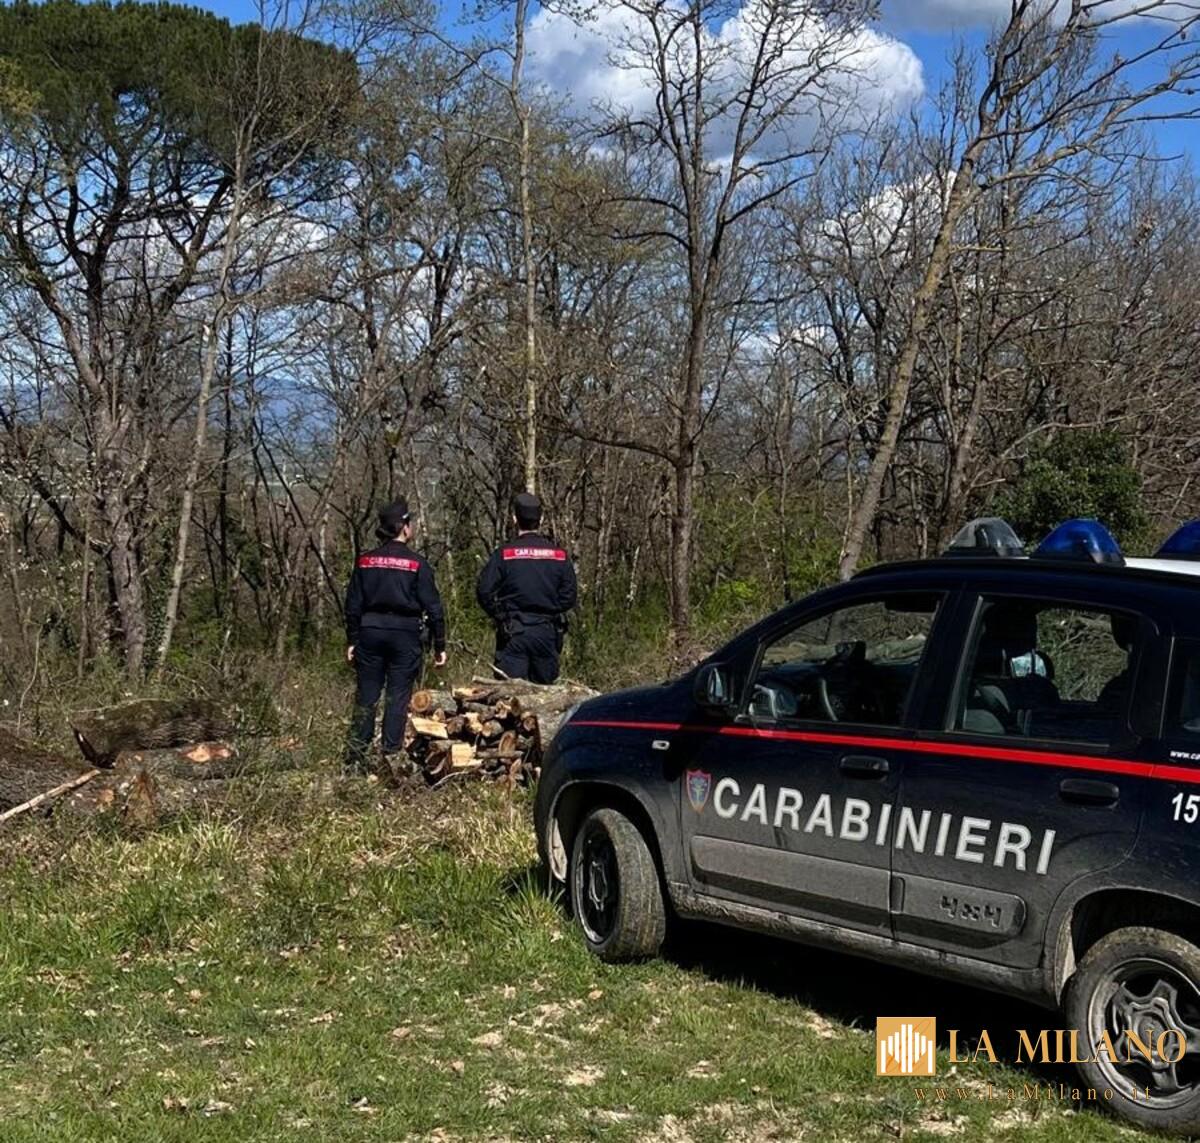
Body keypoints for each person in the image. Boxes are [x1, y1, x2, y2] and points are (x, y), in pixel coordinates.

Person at [344, 498, 447, 773]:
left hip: (370, 632)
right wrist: (440, 644)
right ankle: (390, 756)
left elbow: (353, 604)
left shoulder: (365, 561)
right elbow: (434, 607)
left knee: (366, 696)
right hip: (405, 634)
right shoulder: (417, 564)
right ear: (404, 527)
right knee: (398, 696)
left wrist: (352, 639)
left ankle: (355, 758)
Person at [476, 492, 577, 683]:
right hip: (546, 632)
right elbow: (569, 596)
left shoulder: (505, 554)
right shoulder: (559, 555)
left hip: (513, 632)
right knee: (545, 699)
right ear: (542, 519)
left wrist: (501, 615)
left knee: (507, 700)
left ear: (515, 519)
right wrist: (551, 610)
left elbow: (484, 591)